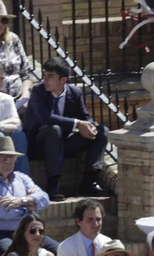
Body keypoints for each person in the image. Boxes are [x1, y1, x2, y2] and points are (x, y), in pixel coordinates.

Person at [20, 59, 105, 198]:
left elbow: (85, 116)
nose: (45, 79)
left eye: (50, 76)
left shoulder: (74, 92)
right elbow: (46, 118)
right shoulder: (38, 91)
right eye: (44, 75)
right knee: (54, 129)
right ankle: (53, 185)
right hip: (38, 146)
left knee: (102, 131)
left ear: (63, 80)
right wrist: (78, 124)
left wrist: (90, 126)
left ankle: (89, 182)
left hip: (62, 145)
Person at [0, 133, 48, 256]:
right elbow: (1, 212)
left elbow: (45, 198)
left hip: (25, 232)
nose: (7, 160)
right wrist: (30, 207)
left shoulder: (22, 178)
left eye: (11, 157)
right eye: (2, 156)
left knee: (57, 251)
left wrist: (22, 201)